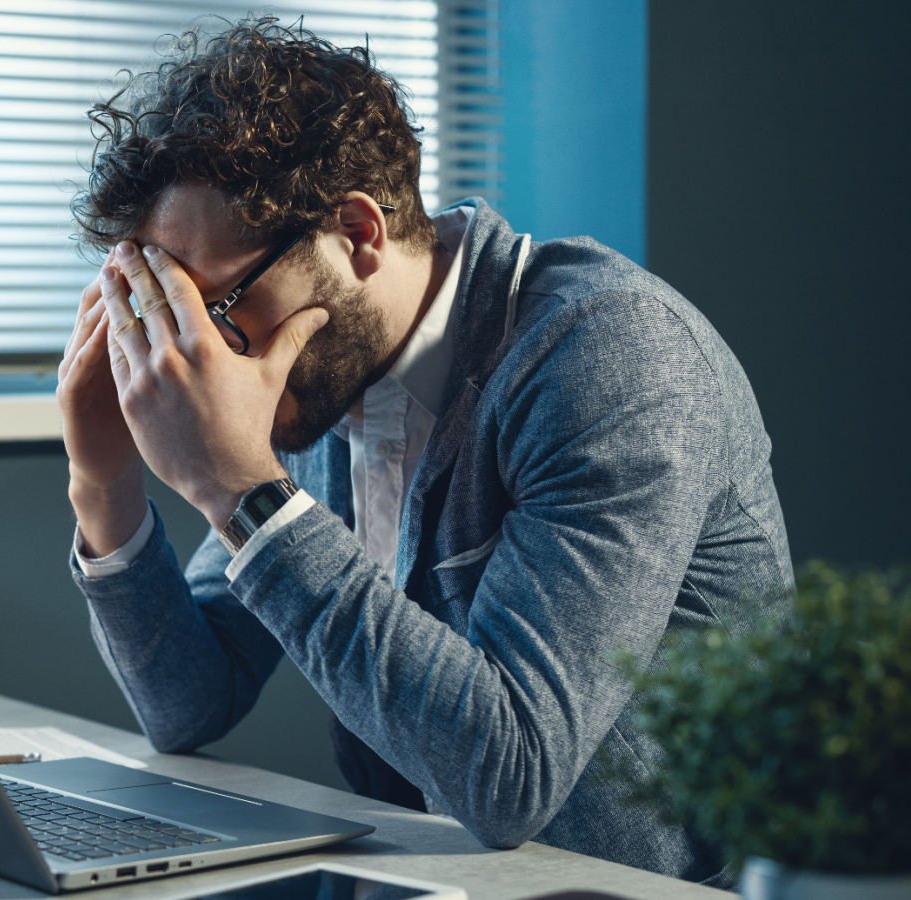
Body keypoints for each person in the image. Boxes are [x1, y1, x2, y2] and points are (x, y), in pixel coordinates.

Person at [55, 17, 792, 888]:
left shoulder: (609, 359)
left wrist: (240, 490)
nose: (198, 358)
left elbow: (508, 779)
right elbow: (188, 700)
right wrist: (103, 480)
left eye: (212, 309)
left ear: (358, 234)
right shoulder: (319, 381)